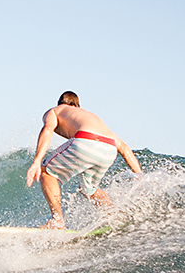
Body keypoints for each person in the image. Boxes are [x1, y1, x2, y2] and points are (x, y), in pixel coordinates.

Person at [26, 91, 142, 229]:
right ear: (77, 106)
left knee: (46, 171)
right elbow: (124, 148)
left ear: (60, 103)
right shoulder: (91, 117)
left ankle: (57, 220)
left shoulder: (55, 111)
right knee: (88, 189)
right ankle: (113, 216)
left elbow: (47, 129)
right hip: (109, 149)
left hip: (86, 142)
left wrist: (37, 161)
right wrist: (139, 175)